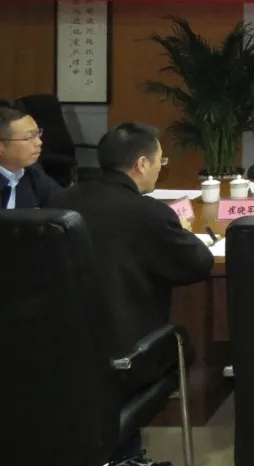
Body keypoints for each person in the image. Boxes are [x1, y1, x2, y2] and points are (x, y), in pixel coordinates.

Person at [51, 122, 215, 466]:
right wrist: (181, 233)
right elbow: (198, 264)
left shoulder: (58, 202)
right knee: (183, 345)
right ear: (141, 163)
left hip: (59, 350)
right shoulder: (147, 212)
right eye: (160, 161)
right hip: (126, 358)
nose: (160, 167)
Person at [0, 106, 61, 209]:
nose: (39, 142)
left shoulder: (31, 171)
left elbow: (63, 202)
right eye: (29, 137)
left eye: (38, 134)